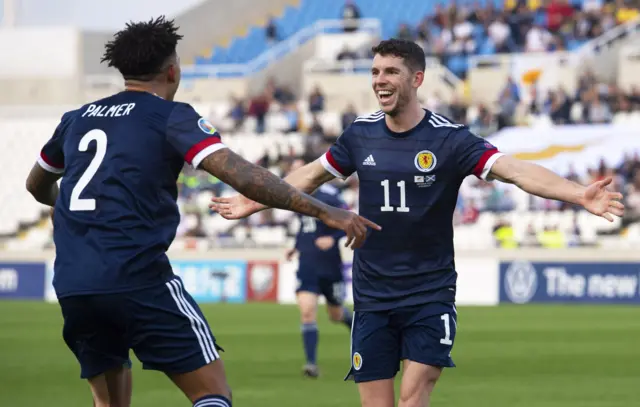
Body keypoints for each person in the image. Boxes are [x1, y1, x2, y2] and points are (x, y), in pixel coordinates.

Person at [210, 38, 625, 407]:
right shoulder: (359, 135)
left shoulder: (450, 139)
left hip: (429, 292)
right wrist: (253, 200)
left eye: (391, 71)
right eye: (375, 72)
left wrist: (576, 193)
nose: (380, 80)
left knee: (413, 396)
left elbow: (514, 170)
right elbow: (309, 176)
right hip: (372, 296)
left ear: (418, 78)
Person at [24, 16, 379, 407]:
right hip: (137, 278)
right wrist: (327, 211)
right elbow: (244, 177)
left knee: (109, 404)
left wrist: (67, 206)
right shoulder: (169, 116)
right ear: (173, 70)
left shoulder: (76, 119)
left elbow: (36, 184)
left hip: (75, 285)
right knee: (211, 393)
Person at [284, 158, 354, 378]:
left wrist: (333, 238)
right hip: (307, 264)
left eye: (298, 170)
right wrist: (295, 247)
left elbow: (350, 222)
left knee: (336, 314)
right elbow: (305, 228)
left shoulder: (330, 196)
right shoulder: (293, 198)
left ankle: (371, 339)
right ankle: (311, 364)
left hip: (329, 264)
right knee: (307, 311)